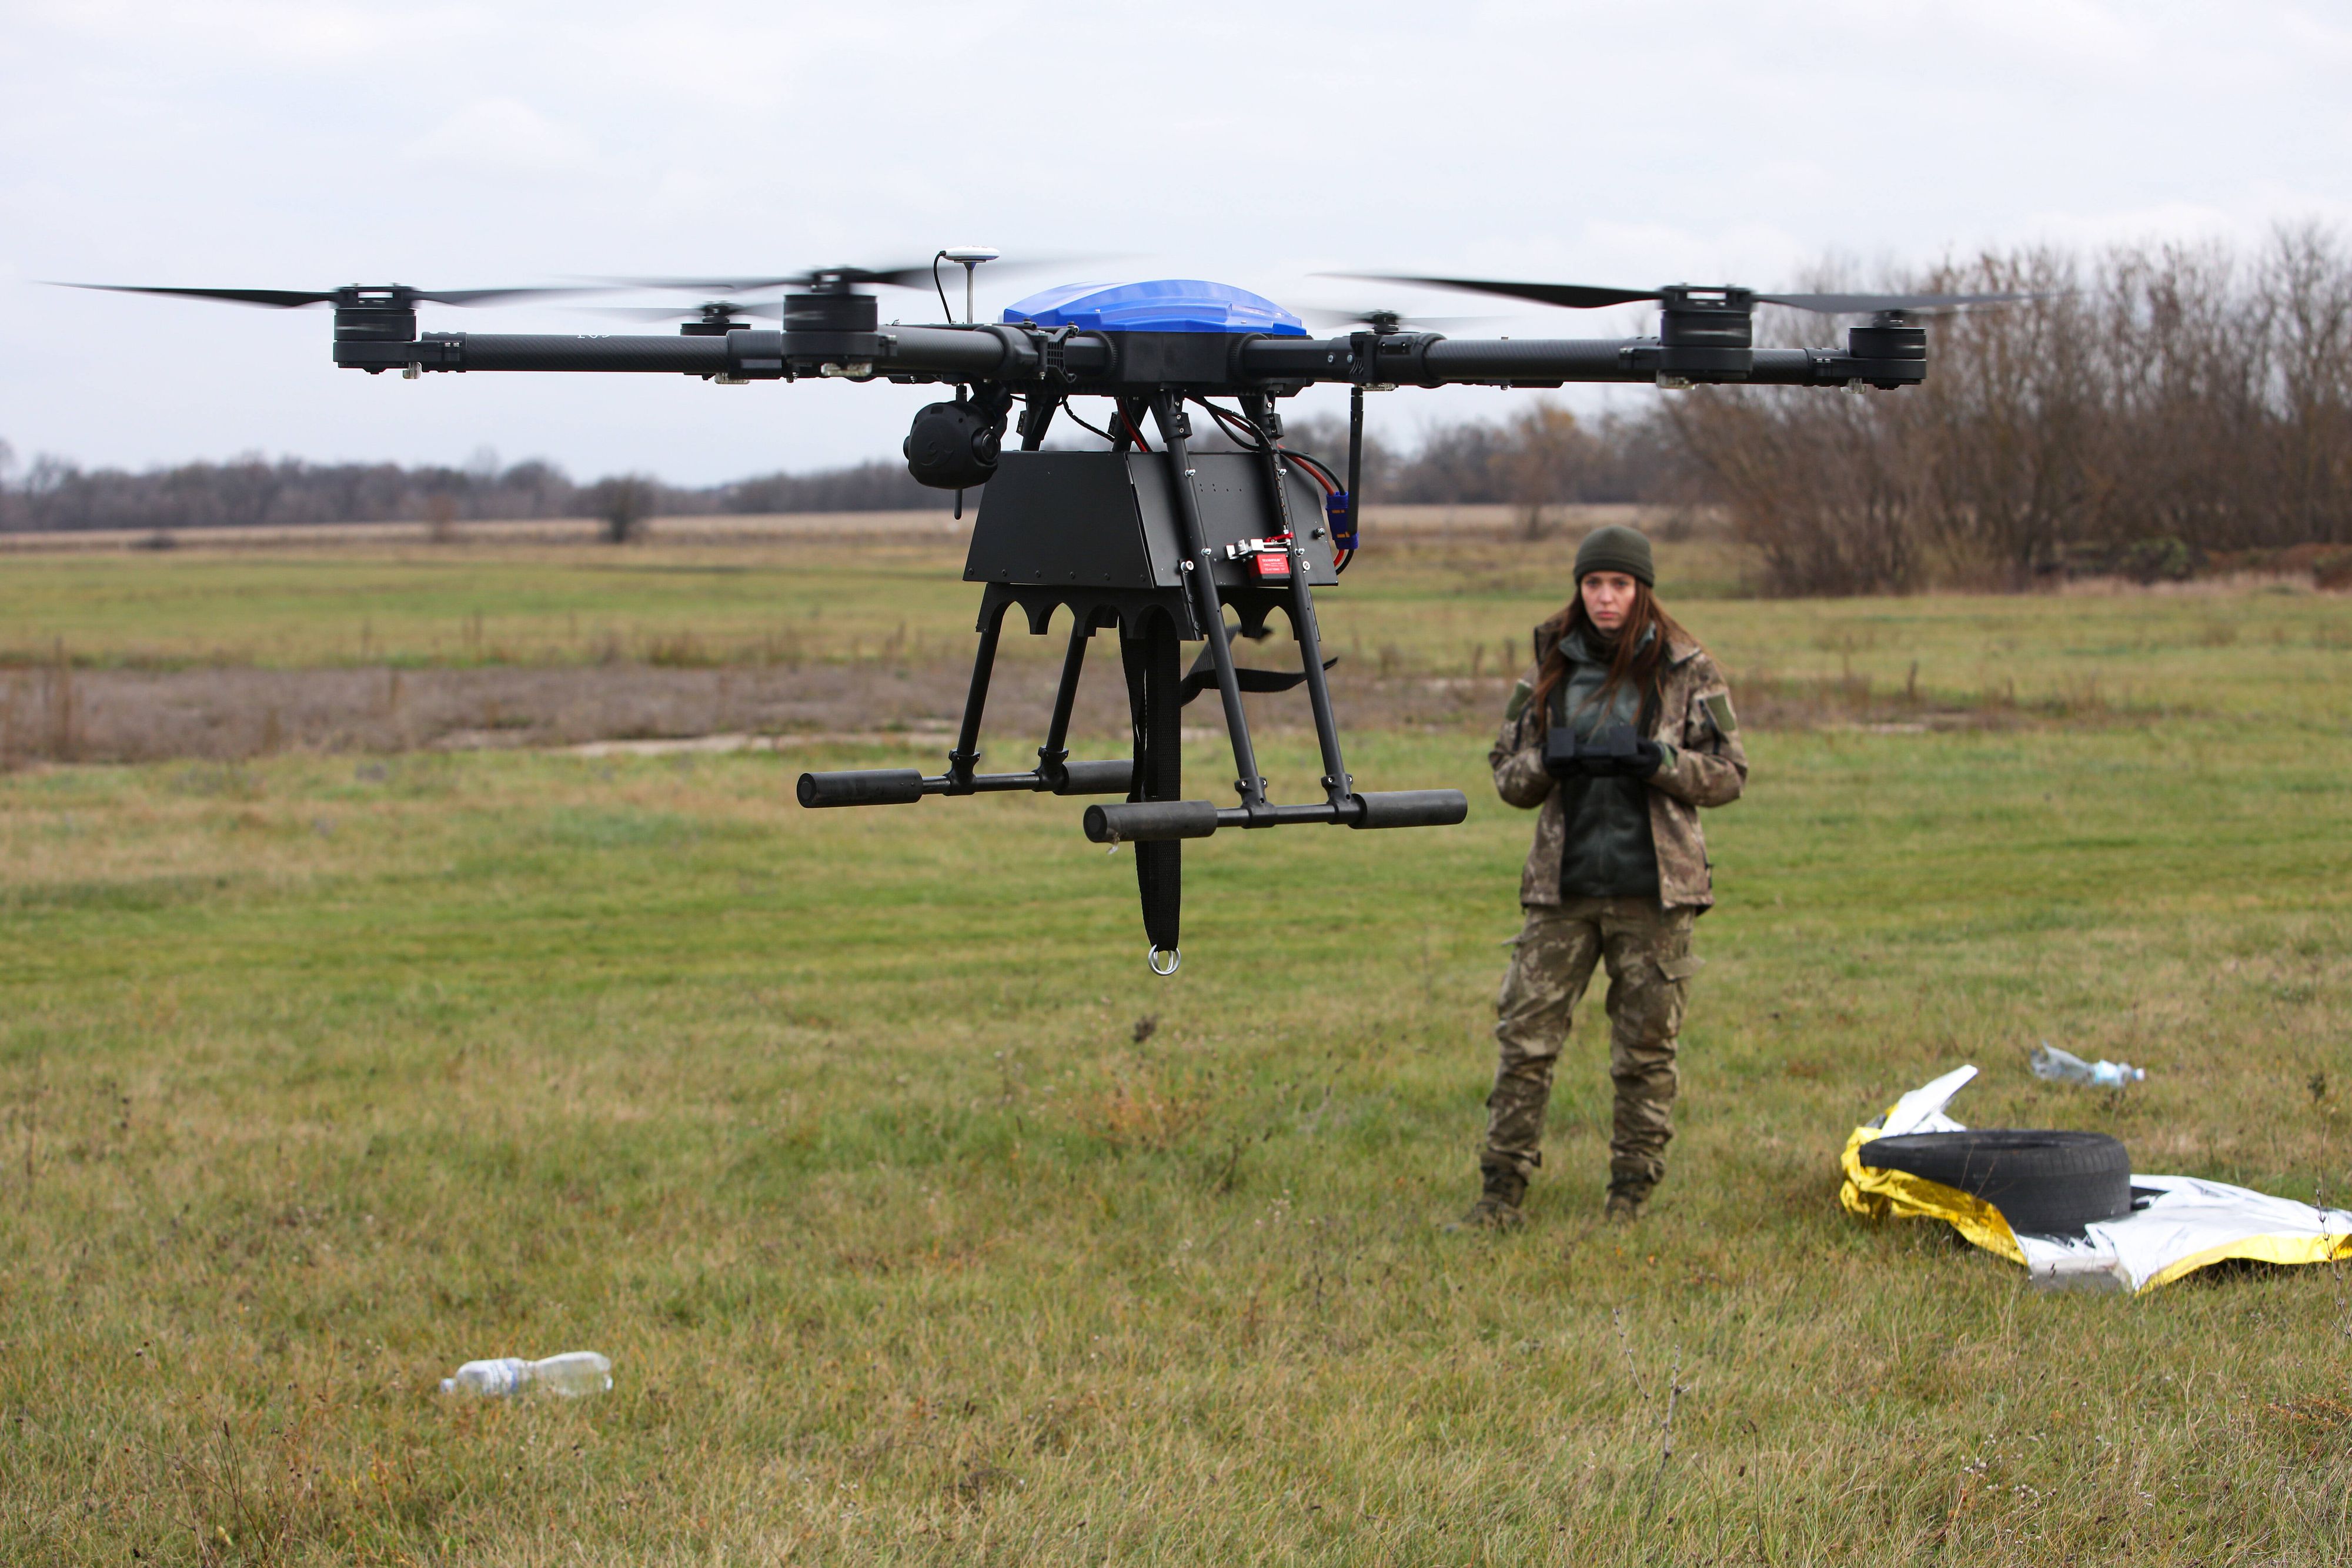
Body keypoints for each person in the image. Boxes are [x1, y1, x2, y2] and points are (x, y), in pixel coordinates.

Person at [1457, 524, 1748, 1231]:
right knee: (1524, 1044)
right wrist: (1546, 763)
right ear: (1579, 588)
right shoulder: (1549, 668)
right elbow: (1506, 774)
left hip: (1656, 892)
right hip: (1562, 890)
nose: (1605, 597)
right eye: (1593, 584)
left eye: (1619, 584)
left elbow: (1729, 774)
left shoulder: (1687, 668)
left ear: (1641, 590)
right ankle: (1499, 1195)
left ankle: (1629, 1197)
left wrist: (1658, 762)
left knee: (1644, 1053)